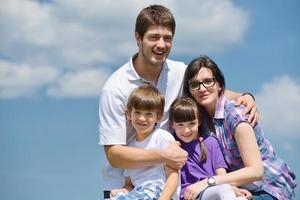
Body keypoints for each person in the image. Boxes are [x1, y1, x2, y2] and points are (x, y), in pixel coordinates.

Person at [99, 5, 258, 199]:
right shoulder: (115, 88)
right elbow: (114, 155)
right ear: (138, 38)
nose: (161, 44)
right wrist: (165, 155)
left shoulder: (178, 72)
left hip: (170, 185)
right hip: (127, 188)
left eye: (167, 38)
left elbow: (207, 90)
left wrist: (245, 96)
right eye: (153, 37)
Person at [182, 55, 297, 200]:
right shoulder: (199, 121)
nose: (202, 88)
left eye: (208, 82)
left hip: (268, 188)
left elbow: (256, 171)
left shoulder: (236, 115)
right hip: (237, 188)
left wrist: (208, 183)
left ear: (219, 84)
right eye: (195, 85)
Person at [169, 97, 252, 200]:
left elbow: (221, 173)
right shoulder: (173, 144)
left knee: (241, 198)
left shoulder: (211, 142)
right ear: (172, 124)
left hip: (214, 189)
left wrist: (233, 188)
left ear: (198, 121)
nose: (186, 130)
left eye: (191, 123)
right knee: (224, 190)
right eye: (180, 125)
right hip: (191, 196)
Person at [109, 84, 179, 200]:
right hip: (139, 192)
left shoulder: (162, 138)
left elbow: (173, 176)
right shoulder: (129, 147)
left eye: (148, 114)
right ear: (128, 114)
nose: (142, 118)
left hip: (158, 191)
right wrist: (122, 191)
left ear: (159, 116)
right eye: (137, 112)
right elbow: (130, 183)